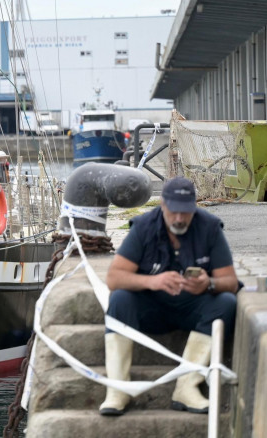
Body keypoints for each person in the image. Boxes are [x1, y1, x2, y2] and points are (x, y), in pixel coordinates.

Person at [99, 176, 238, 416]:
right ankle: (117, 390)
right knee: (120, 298)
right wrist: (153, 281)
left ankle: (187, 387)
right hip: (151, 308)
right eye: (174, 211)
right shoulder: (143, 227)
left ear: (195, 207)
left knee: (226, 302)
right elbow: (114, 278)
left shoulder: (210, 227)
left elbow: (230, 282)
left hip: (191, 308)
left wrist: (209, 283)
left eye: (186, 212)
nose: (179, 218)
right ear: (163, 204)